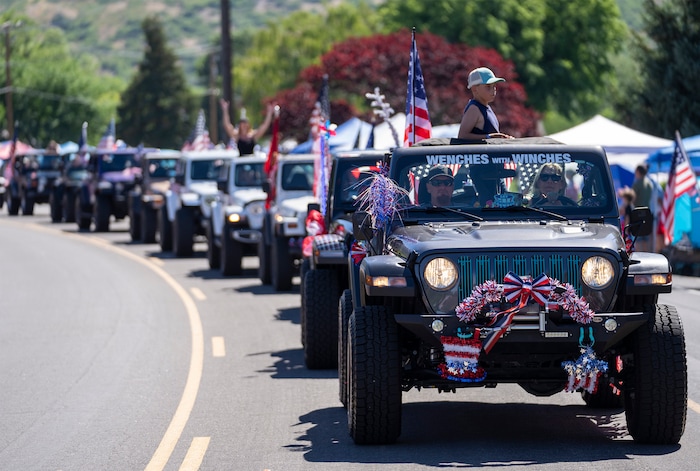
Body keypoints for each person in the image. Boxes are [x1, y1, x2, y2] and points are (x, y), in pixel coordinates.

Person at [458, 67, 513, 140]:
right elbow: (462, 136)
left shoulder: (486, 108)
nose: (493, 90)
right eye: (488, 87)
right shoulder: (474, 109)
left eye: (494, 86)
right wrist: (488, 137)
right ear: (474, 89)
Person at [631, 164, 653, 251]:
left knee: (638, 238)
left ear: (638, 172)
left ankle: (639, 256)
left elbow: (632, 198)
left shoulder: (637, 184)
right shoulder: (649, 184)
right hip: (647, 213)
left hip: (638, 213)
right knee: (646, 238)